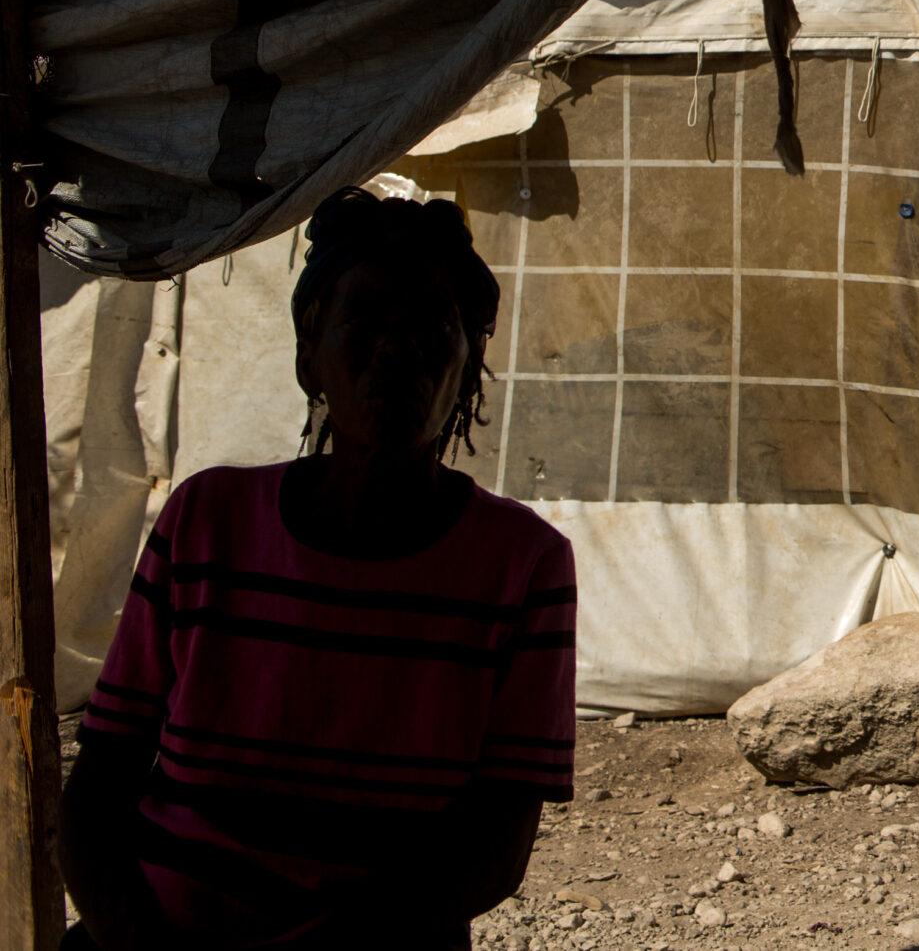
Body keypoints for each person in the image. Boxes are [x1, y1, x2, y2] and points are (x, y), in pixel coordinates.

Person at [61, 188, 577, 951]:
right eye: (363, 321)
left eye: (434, 328)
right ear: (311, 353)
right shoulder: (207, 523)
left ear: (469, 366)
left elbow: (495, 846)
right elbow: (99, 788)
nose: (395, 352)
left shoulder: (522, 565)